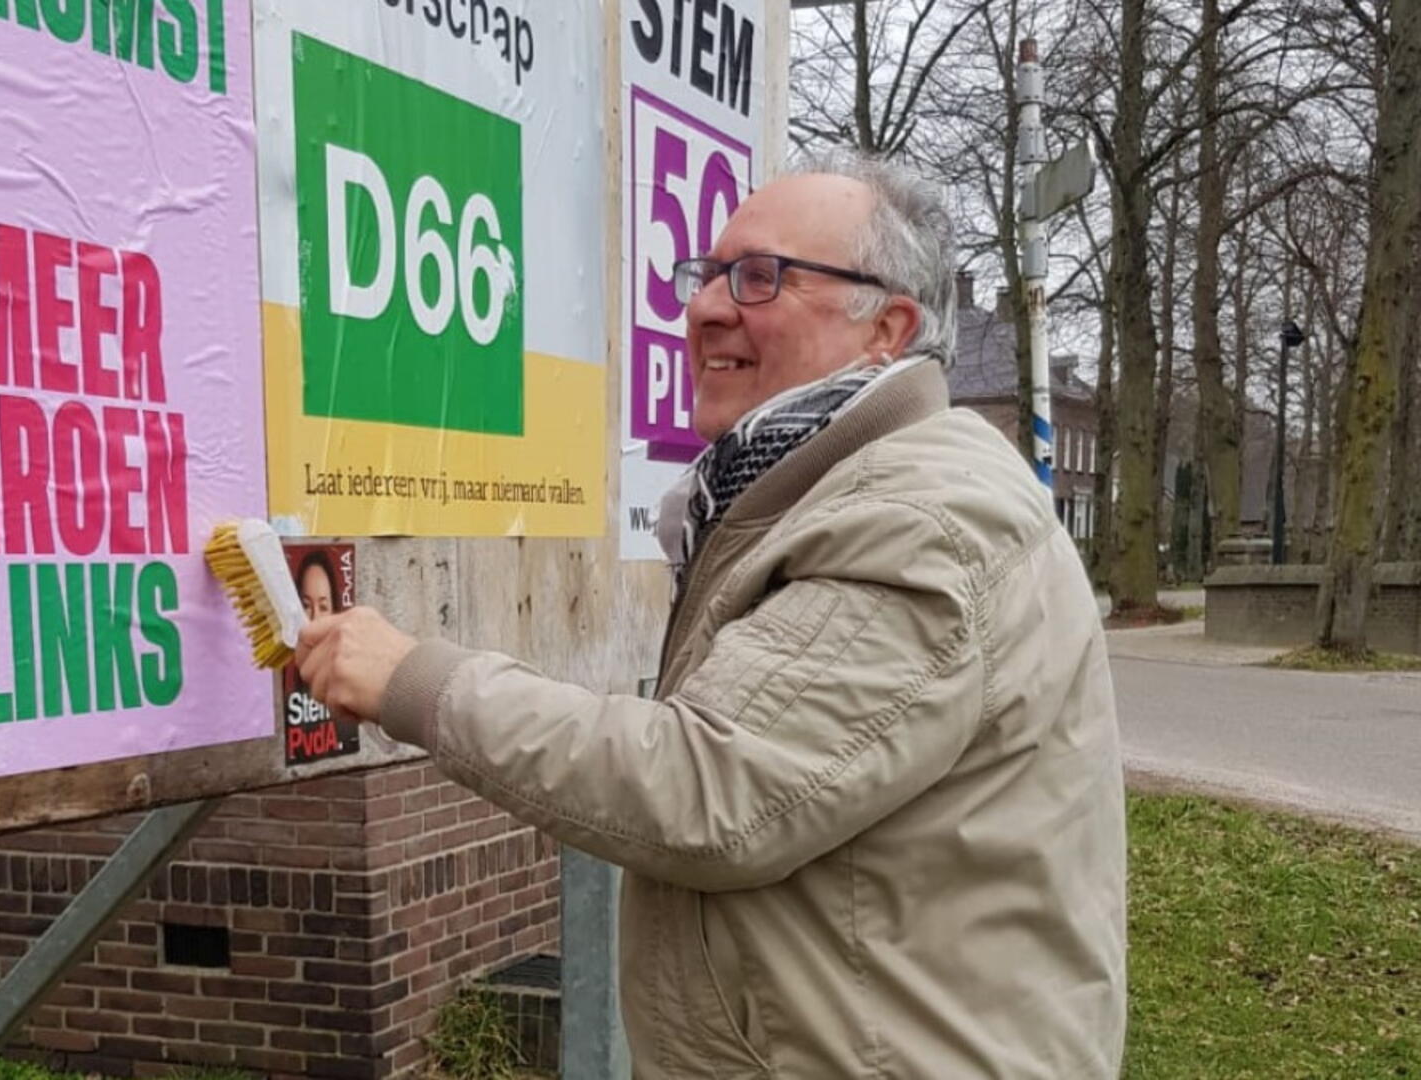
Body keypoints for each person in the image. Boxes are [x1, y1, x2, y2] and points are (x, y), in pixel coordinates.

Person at [296, 153, 1126, 1078]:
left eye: (762, 277)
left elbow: (709, 788)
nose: (705, 308)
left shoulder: (916, 520)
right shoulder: (823, 488)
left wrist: (416, 681)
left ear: (887, 327)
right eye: (707, 274)